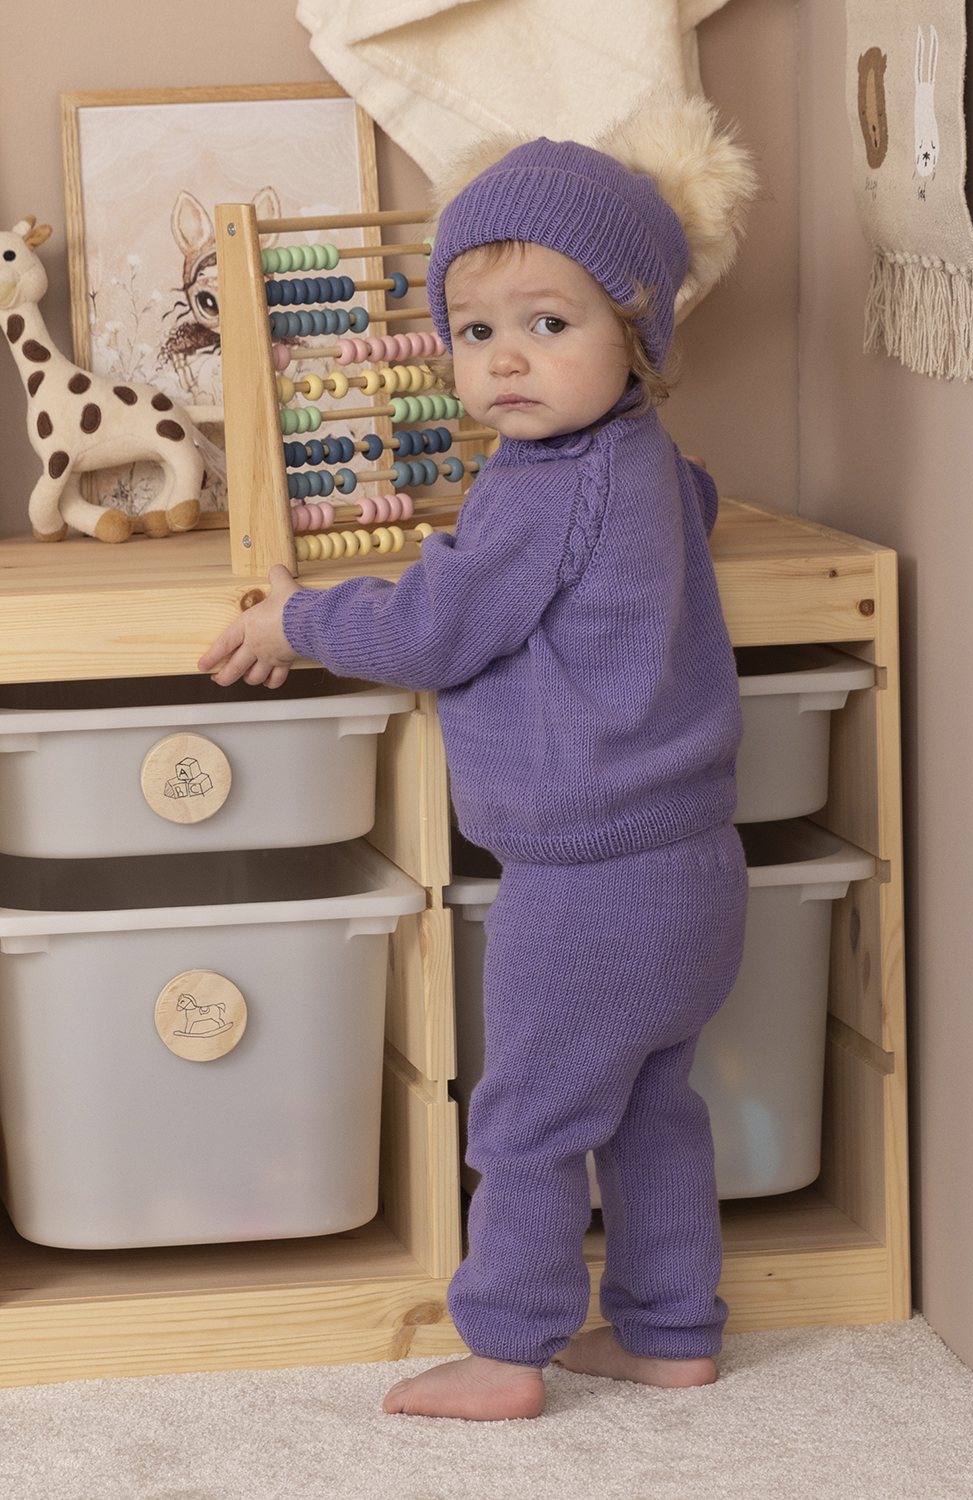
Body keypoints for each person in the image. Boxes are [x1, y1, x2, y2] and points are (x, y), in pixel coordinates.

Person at [199, 94, 756, 1422]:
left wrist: (296, 620)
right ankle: (671, 1328)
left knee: (529, 1119)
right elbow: (678, 516)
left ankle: (507, 1351)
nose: (505, 361)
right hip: (697, 867)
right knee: (652, 1109)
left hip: (585, 881)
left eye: (549, 326)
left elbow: (433, 628)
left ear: (638, 334)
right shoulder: (648, 463)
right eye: (474, 330)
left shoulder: (537, 489)